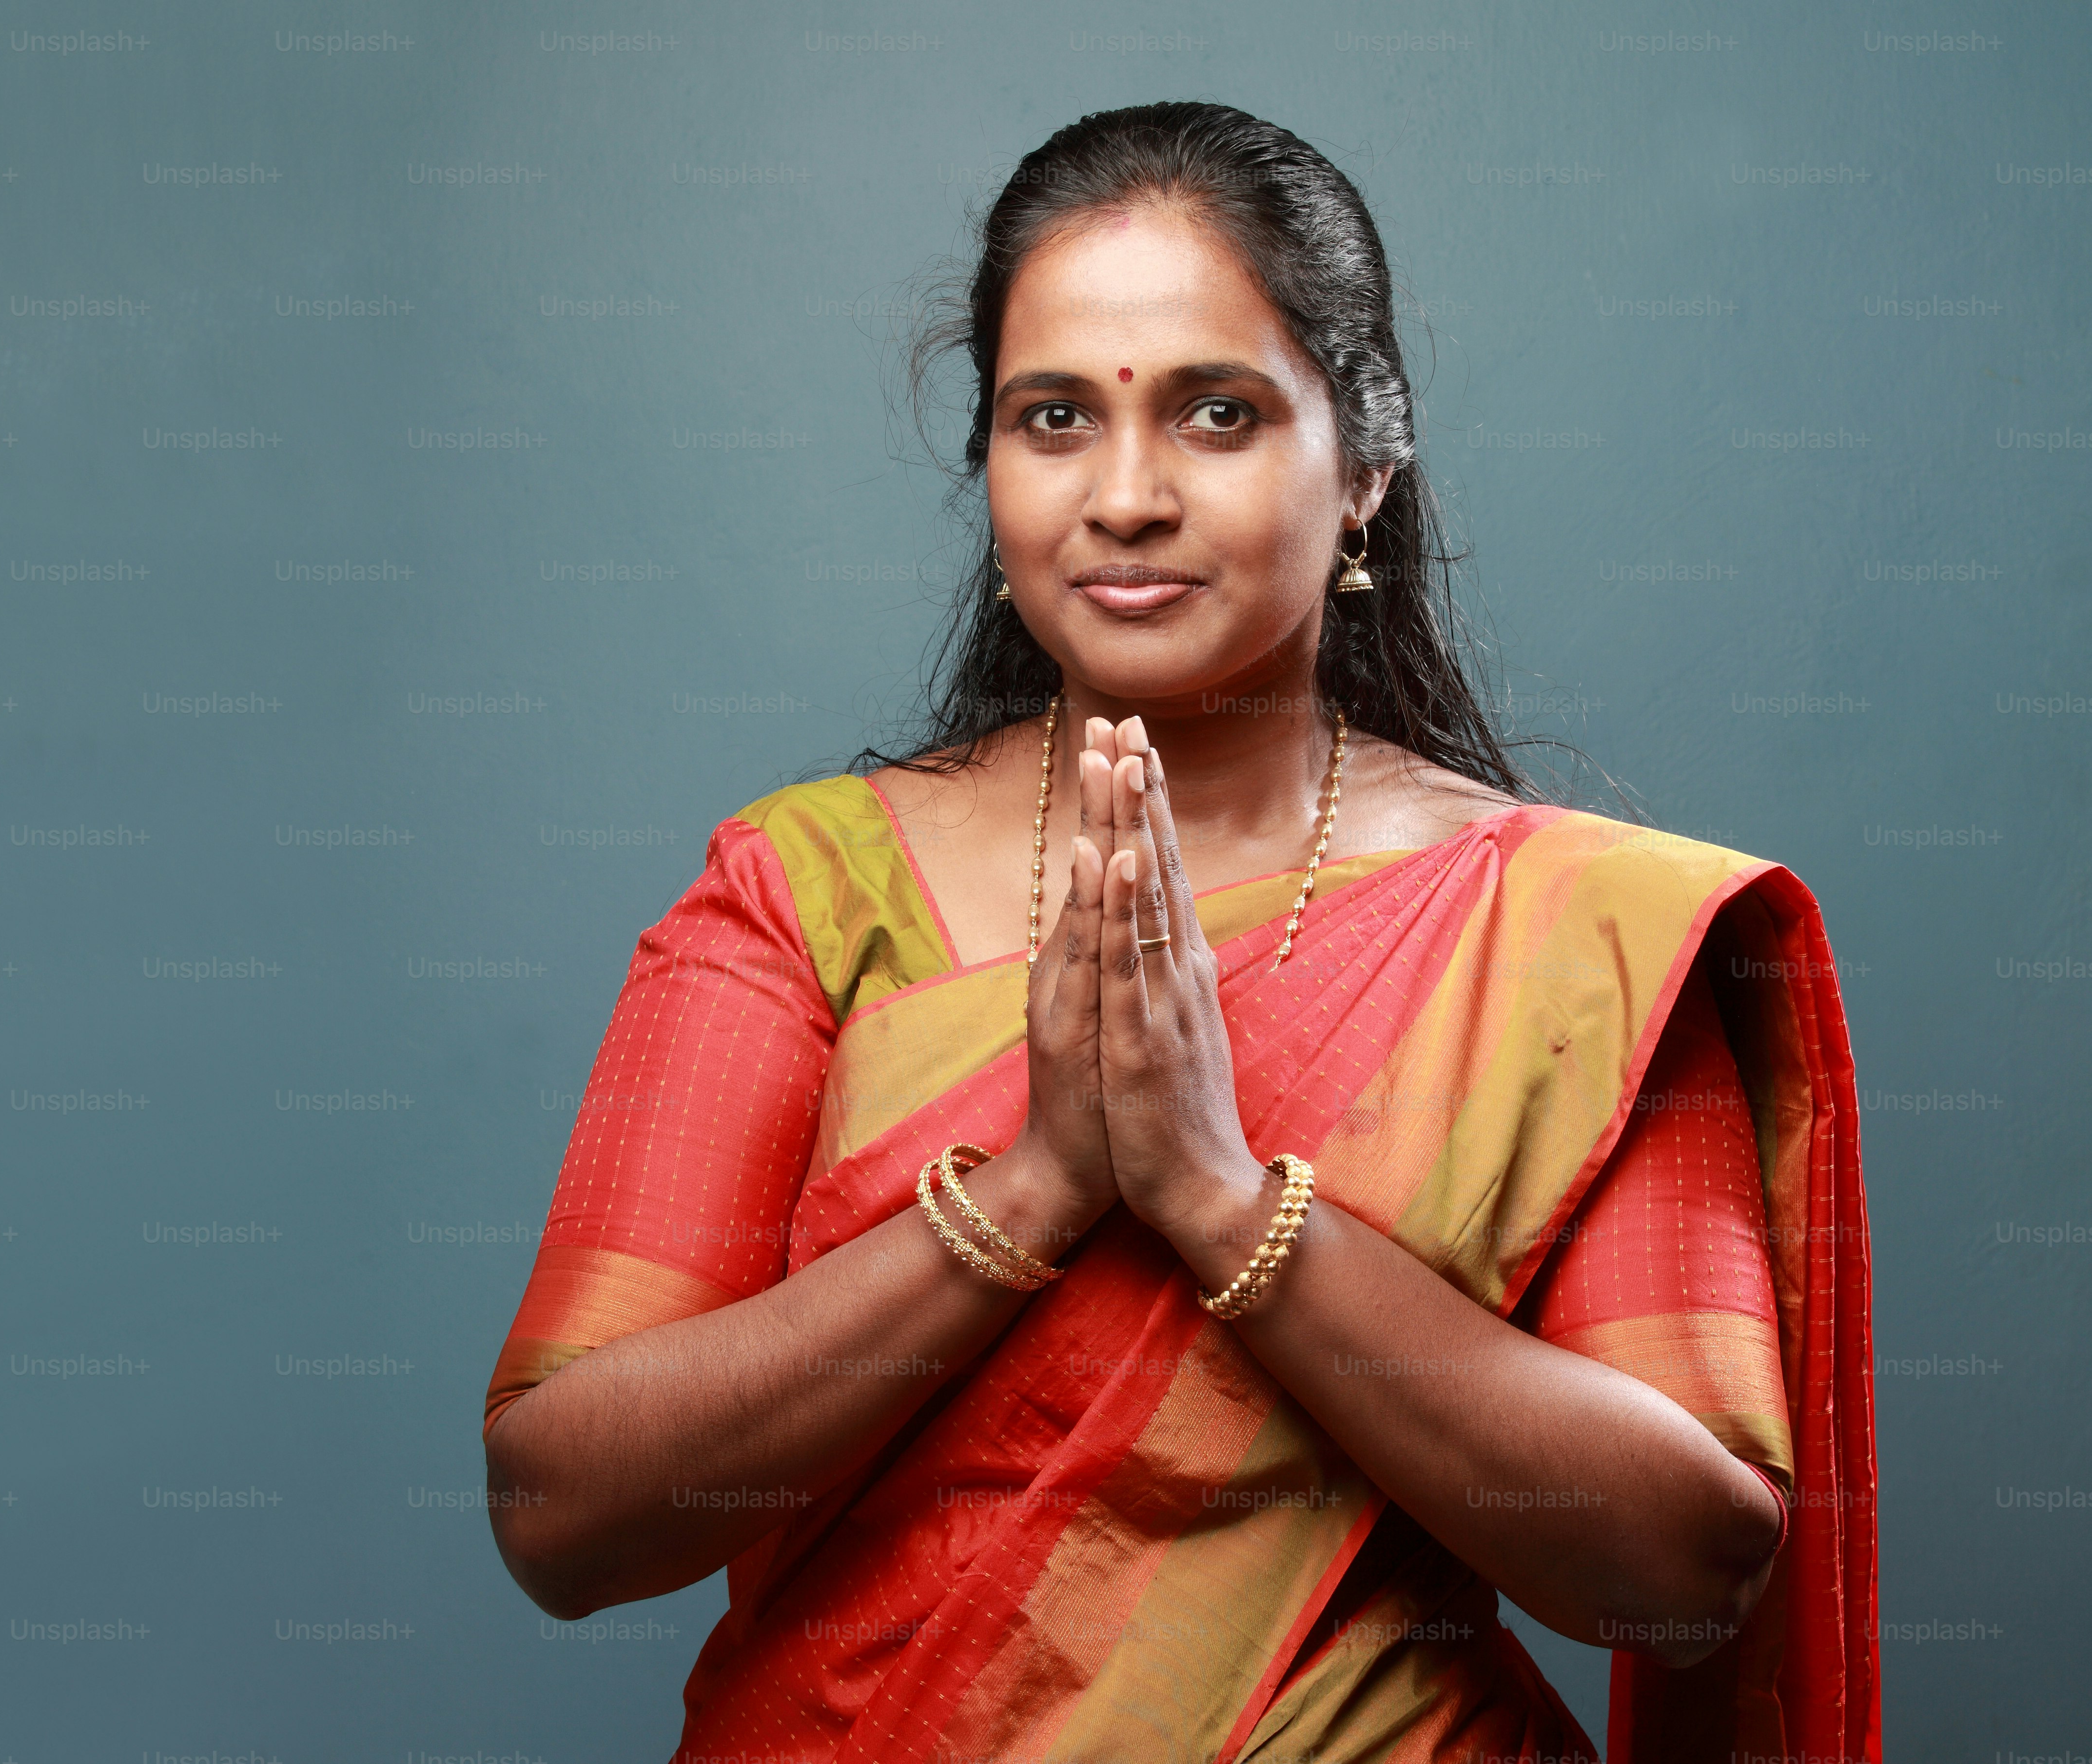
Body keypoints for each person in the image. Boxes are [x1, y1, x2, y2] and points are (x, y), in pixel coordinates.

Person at [483, 101, 1877, 1763]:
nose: (1126, 495)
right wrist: (1031, 1190)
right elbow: (563, 1516)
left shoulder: (1574, 934)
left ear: (1364, 467)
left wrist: (1220, 1199)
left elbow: (1684, 1566)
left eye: (1218, 413)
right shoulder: (808, 887)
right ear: (990, 467)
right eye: (1054, 417)